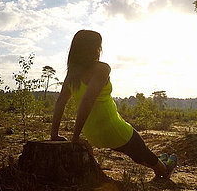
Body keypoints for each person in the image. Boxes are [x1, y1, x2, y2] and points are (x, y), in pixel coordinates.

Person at [50, 30, 177, 178]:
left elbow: (60, 102)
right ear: (95, 48)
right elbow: (87, 100)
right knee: (142, 152)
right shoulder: (101, 68)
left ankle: (158, 161)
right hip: (114, 129)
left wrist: (54, 134)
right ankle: (164, 169)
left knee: (138, 152)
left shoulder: (72, 73)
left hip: (92, 133)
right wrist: (75, 138)